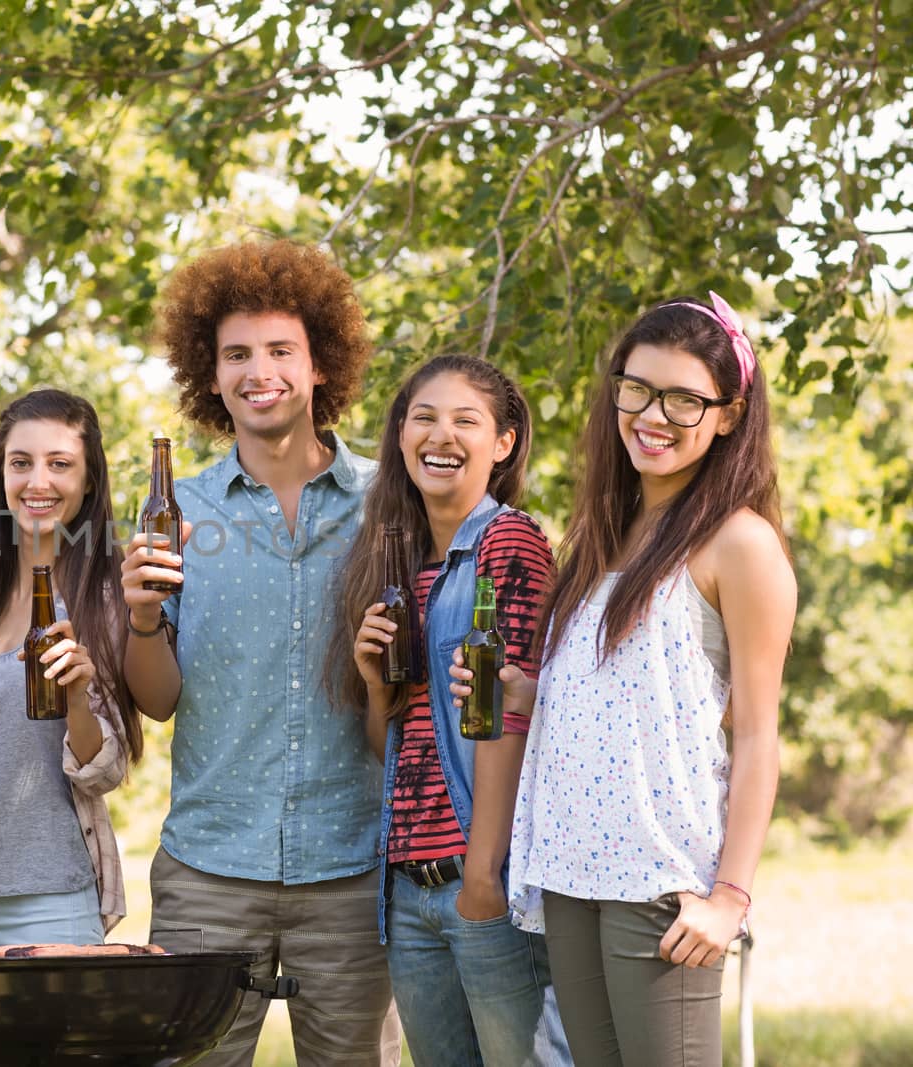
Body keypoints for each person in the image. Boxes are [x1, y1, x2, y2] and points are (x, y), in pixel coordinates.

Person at [493, 294, 794, 1065]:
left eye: (684, 399)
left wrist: (730, 897)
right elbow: (628, 693)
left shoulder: (740, 543)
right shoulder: (602, 531)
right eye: (638, 387)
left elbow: (760, 733)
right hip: (570, 870)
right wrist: (525, 693)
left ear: (728, 415)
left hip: (661, 881)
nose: (653, 414)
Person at [122, 239, 403, 1065]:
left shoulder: (389, 503)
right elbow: (157, 699)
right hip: (208, 869)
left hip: (352, 869)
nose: (259, 371)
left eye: (281, 350)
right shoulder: (176, 513)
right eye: (236, 354)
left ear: (321, 366)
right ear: (209, 376)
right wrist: (140, 619)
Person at [328, 355, 570, 1067]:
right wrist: (377, 686)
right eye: (424, 416)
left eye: (467, 420)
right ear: (401, 434)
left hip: (479, 878)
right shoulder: (401, 567)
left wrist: (485, 875)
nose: (442, 435)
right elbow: (394, 748)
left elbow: (509, 718)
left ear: (503, 443)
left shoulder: (509, 541)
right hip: (408, 889)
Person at [0, 389, 141, 949]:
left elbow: (105, 772)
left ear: (89, 481)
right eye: (20, 463)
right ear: (2, 477)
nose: (36, 482)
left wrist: (78, 697)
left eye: (59, 464)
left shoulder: (108, 604)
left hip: (55, 901)